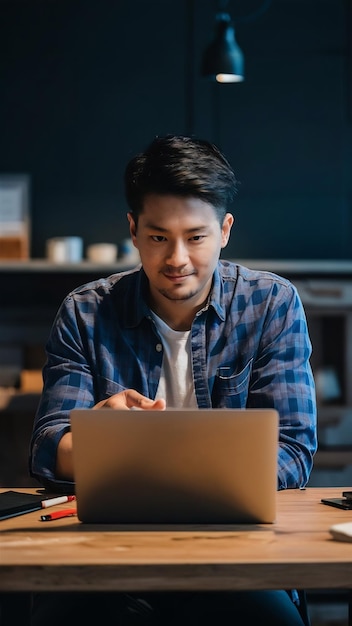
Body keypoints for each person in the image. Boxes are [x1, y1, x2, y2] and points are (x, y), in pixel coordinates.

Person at [29, 134, 317, 626]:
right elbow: (48, 450)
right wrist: (97, 434)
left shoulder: (271, 304)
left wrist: (192, 483)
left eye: (196, 237)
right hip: (107, 556)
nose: (177, 258)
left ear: (225, 230)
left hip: (236, 553)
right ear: (133, 231)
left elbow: (293, 451)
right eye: (158, 237)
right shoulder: (85, 311)